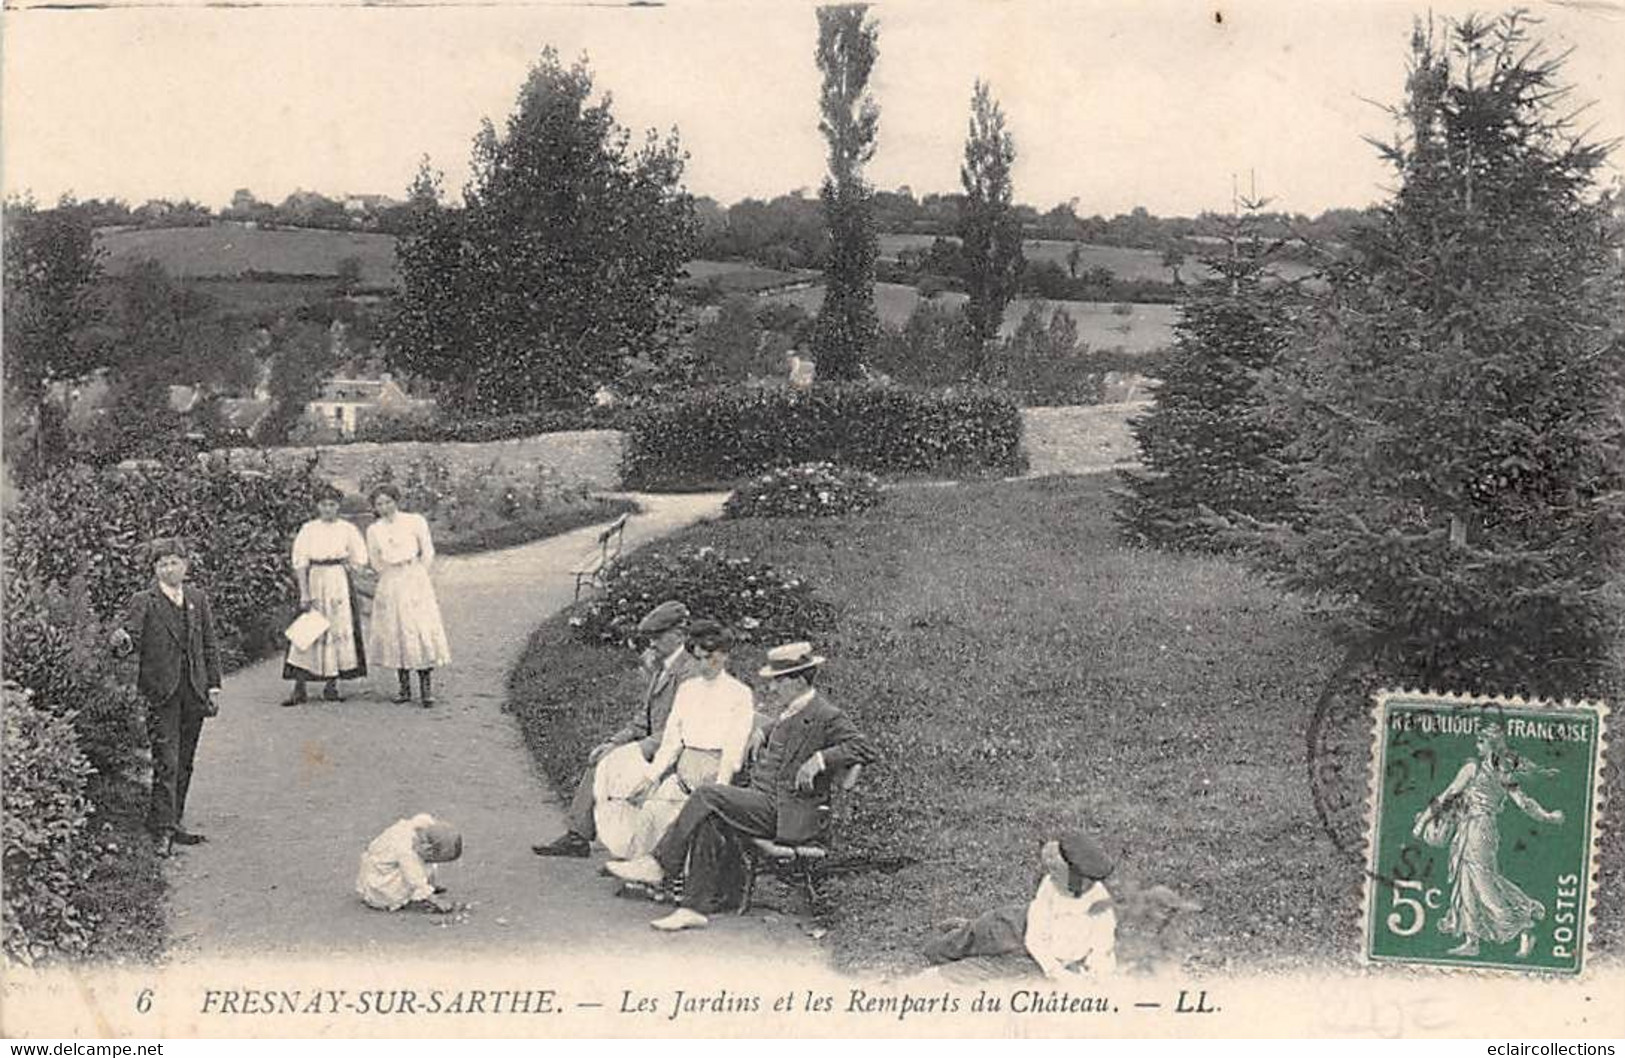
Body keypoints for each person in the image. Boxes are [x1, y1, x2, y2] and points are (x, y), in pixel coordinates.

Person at [606, 640, 876, 932]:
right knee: (709, 816)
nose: (772, 689)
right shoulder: (792, 710)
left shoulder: (826, 714)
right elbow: (789, 726)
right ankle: (693, 908)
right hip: (766, 801)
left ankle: (660, 863)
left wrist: (821, 759)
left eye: (778, 682)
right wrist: (763, 730)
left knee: (708, 794)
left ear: (798, 681)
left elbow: (864, 748)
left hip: (790, 813)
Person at [532, 600, 697, 858]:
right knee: (602, 755)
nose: (652, 644)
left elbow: (685, 729)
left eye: (657, 637)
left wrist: (637, 748)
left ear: (678, 635)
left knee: (617, 764)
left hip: (679, 753)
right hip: (657, 745)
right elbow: (642, 719)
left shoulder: (690, 672)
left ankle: (625, 847)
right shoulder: (663, 667)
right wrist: (614, 742)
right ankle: (578, 836)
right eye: (650, 637)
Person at [109, 538, 223, 858]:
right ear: (154, 569)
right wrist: (121, 642)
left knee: (185, 761)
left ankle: (174, 821)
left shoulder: (197, 599)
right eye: (162, 564)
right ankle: (160, 830)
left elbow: (209, 646)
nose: (169, 568)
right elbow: (129, 638)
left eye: (174, 562)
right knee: (167, 761)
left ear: (186, 566)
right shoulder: (144, 601)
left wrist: (213, 687)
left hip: (194, 690)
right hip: (162, 692)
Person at [1412, 722, 1564, 958]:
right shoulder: (1502, 775)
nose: (1477, 745)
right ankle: (1473, 940)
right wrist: (1547, 816)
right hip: (1477, 828)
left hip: (1476, 828)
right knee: (1469, 882)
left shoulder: (1473, 768)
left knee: (1482, 884)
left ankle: (1525, 924)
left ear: (1491, 744)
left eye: (1481, 741)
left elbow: (1447, 794)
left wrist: (1423, 821)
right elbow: (1524, 803)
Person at [616, 619, 756, 858]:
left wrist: (719, 790)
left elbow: (734, 747)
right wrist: (652, 777)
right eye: (698, 658)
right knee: (651, 810)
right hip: (685, 767)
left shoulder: (739, 693)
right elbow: (672, 741)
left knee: (685, 818)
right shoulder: (688, 689)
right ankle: (650, 872)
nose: (704, 665)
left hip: (715, 771)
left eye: (709, 657)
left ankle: (677, 879)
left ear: (724, 655)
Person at [922, 832, 1119, 981]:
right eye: (1053, 871)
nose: (1052, 876)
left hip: (1038, 953)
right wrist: (1056, 972)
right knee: (974, 935)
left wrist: (1095, 976)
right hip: (1016, 926)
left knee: (1005, 971)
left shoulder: (1100, 903)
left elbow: (1103, 948)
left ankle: (961, 933)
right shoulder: (1050, 885)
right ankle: (948, 939)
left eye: (1059, 871)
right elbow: (1034, 938)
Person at [282, 483, 369, 706]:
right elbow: (300, 562)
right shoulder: (309, 529)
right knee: (307, 630)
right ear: (317, 506)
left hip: (338, 581)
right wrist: (304, 592)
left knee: (337, 629)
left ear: (338, 507)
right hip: (315, 578)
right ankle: (299, 687)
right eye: (323, 504)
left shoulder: (347, 529)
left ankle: (332, 684)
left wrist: (350, 568)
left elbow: (360, 556)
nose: (328, 509)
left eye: (332, 505)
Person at [364, 485, 450, 707]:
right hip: (391, 580)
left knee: (419, 628)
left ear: (396, 501)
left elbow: (428, 550)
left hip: (414, 577)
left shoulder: (414, 521)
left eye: (388, 502)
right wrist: (389, 576)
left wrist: (419, 573)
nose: (384, 507)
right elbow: (375, 559)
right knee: (396, 630)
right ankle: (404, 688)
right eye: (379, 504)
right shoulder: (374, 530)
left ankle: (426, 689)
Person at [356, 813, 463, 912]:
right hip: (379, 884)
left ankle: (429, 885)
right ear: (428, 848)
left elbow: (425, 819)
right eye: (436, 858)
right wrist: (435, 900)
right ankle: (393, 898)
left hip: (377, 870)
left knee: (424, 863)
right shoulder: (407, 852)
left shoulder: (419, 827)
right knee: (418, 868)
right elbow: (414, 878)